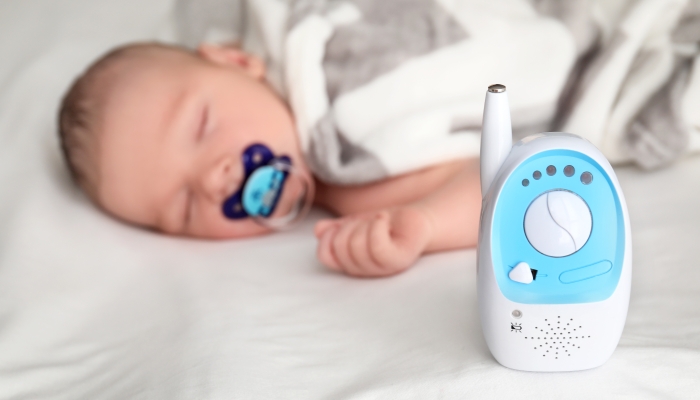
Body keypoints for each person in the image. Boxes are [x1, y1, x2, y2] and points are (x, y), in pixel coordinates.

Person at [58, 42, 482, 278]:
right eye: (185, 205)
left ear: (236, 59)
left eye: (202, 126)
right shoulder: (354, 173)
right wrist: (426, 224)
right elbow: (493, 183)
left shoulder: (281, 34)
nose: (213, 181)